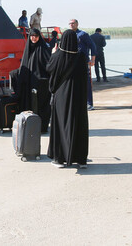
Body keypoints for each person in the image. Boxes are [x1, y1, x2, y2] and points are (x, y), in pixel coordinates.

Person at [46, 29, 89, 168]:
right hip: (78, 95)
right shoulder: (81, 57)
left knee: (61, 124)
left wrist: (53, 54)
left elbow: (49, 69)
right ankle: (81, 159)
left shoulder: (58, 56)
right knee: (79, 124)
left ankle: (59, 158)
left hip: (62, 95)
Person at [16, 28, 52, 132]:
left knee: (40, 106)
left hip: (40, 83)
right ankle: (30, 126)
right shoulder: (28, 49)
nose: (34, 38)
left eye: (36, 36)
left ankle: (42, 127)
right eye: (32, 36)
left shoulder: (43, 49)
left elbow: (49, 65)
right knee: (30, 105)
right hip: (28, 83)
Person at [68, 19, 97, 110]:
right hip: (72, 62)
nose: (71, 25)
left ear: (77, 24)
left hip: (83, 62)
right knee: (73, 83)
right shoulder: (68, 35)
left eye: (73, 23)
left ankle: (89, 103)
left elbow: (92, 46)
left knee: (86, 83)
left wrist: (93, 59)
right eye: (70, 23)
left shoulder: (83, 34)